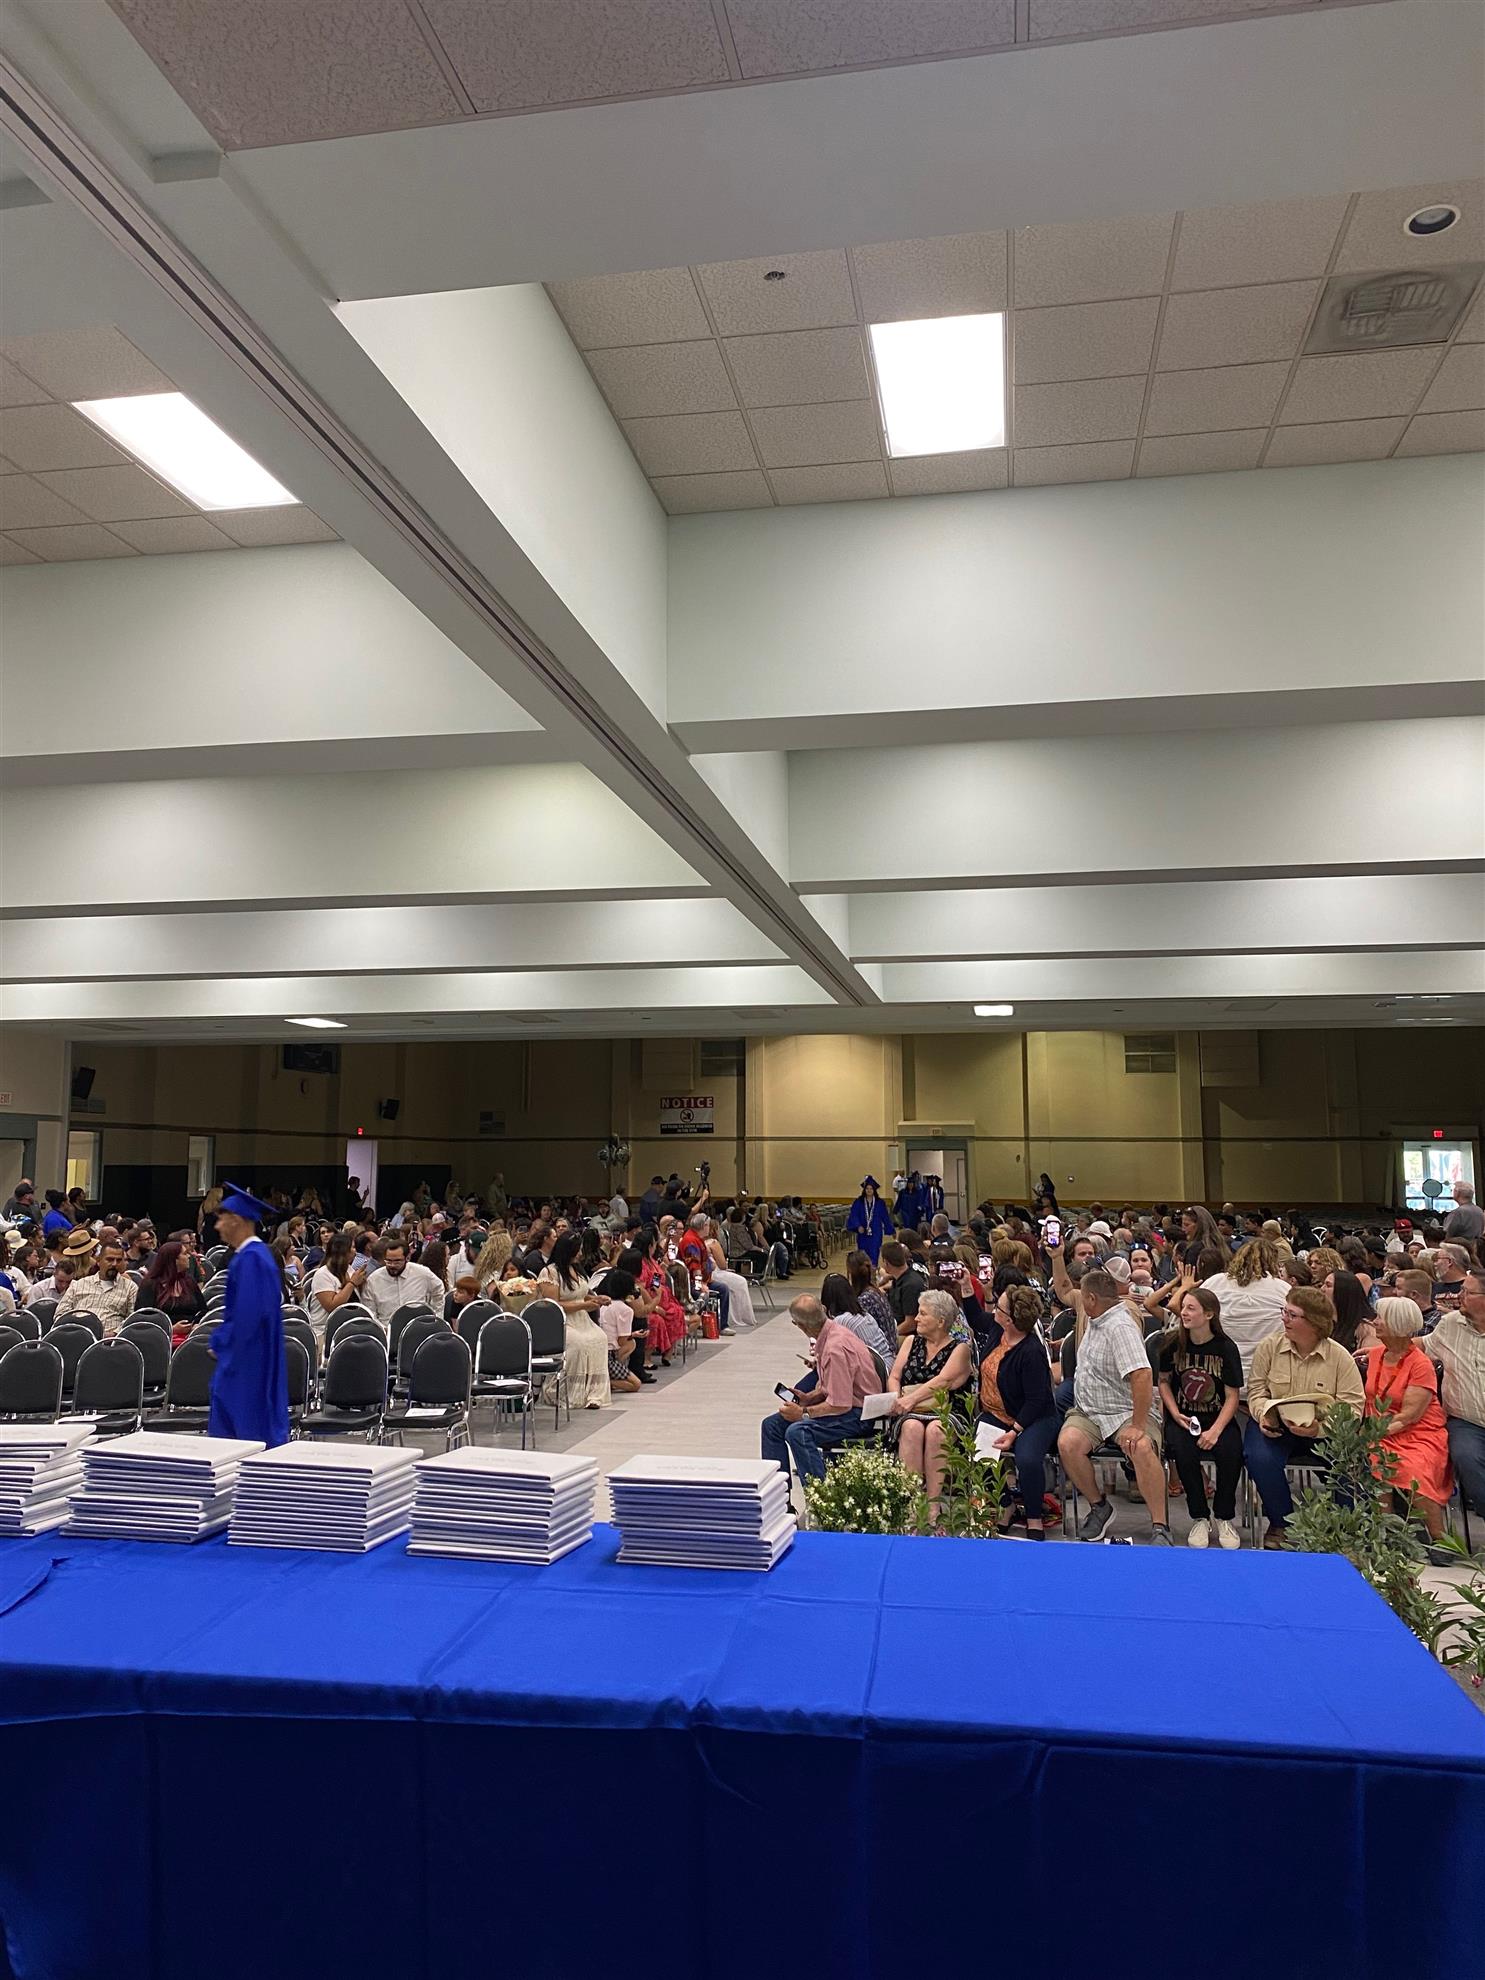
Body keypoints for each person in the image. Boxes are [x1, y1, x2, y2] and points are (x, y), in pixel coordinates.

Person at [1243, 1286, 1366, 1548]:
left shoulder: (1340, 1358)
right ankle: (1282, 1524)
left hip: (1322, 1429)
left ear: (1314, 1323)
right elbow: (1256, 1389)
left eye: (1292, 1315)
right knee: (1259, 1457)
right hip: (1276, 1426)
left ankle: (1342, 1529)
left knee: (1350, 1458)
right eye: (1284, 1312)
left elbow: (1353, 1408)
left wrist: (1319, 1429)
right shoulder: (1270, 1347)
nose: (1283, 1319)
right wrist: (1263, 1414)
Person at [1058, 1267, 1171, 1543]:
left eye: (1083, 1297)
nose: (1080, 1302)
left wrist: (1138, 1424)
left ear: (1092, 1299)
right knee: (1067, 1443)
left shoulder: (1120, 1327)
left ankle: (1160, 1525)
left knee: (1141, 1446)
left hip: (1124, 1412)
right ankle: (1099, 1507)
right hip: (1090, 1412)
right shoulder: (1096, 1320)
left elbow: (1142, 1374)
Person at [1156, 1286, 1244, 1549]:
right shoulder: (1171, 1343)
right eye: (1183, 1307)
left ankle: (1224, 1516)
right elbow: (1163, 1382)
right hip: (1183, 1417)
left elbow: (1232, 1397)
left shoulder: (1226, 1348)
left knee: (1231, 1451)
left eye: (1191, 1308)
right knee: (1183, 1451)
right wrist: (1174, 1412)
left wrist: (1215, 1430)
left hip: (1218, 1418)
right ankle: (1199, 1517)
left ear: (1209, 1314)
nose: (1183, 1312)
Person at [762, 1294, 876, 1494]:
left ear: (800, 1326)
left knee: (798, 1432)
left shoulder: (834, 1348)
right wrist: (811, 1396)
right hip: (849, 1403)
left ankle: (821, 1499)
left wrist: (804, 1412)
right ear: (823, 1309)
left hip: (859, 1414)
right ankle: (780, 1499)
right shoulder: (832, 1333)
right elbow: (833, 1386)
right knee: (771, 1425)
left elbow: (840, 1404)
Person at [206, 1182, 289, 1449]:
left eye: (222, 1219)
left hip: (247, 1358)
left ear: (237, 1220)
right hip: (251, 1352)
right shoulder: (254, 1256)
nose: (217, 1227)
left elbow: (248, 1315)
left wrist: (223, 1344)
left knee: (243, 1428)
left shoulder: (251, 1258)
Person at [883, 1287, 975, 1524]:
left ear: (941, 1321)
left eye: (923, 1314)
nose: (916, 1318)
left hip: (946, 1411)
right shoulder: (911, 1341)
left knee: (936, 1430)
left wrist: (910, 1399)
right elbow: (894, 1376)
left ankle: (934, 1505)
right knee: (911, 1428)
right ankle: (914, 1501)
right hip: (909, 1412)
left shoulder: (960, 1348)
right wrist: (895, 1399)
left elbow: (943, 1381)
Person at [1364, 1296, 1453, 1542]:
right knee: (1375, 1458)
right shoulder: (1376, 1355)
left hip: (1418, 1430)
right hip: (1381, 1427)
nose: (1375, 1322)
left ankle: (1440, 1538)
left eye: (1380, 1317)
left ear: (1397, 1323)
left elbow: (1410, 1415)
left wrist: (1374, 1432)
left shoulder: (1420, 1365)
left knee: (1414, 1468)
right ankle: (1387, 1533)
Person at [977, 1285, 1058, 1537]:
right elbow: (976, 1317)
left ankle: (1034, 1515)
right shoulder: (996, 1330)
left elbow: (1035, 1401)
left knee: (1027, 1458)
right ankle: (1006, 1505)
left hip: (1035, 1416)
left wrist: (1014, 1431)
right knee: (981, 1452)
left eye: (998, 1308)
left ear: (1010, 1319)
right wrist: (969, 1290)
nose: (994, 1311)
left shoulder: (1031, 1351)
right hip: (997, 1412)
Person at [1424, 1267, 1485, 1517]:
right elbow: (1422, 1346)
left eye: (1467, 1292)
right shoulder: (1450, 1324)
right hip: (1466, 1422)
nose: (1459, 1295)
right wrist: (1378, 1349)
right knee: (1466, 1457)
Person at [1197, 1236, 1292, 1381]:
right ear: (1274, 1262)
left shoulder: (1214, 1282)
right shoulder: (1283, 1289)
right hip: (1265, 1376)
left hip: (1216, 1372)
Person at [538, 1230, 611, 1410]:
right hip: (561, 1322)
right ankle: (566, 1391)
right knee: (579, 1344)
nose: (580, 1254)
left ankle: (593, 1393)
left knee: (599, 1339)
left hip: (582, 1319)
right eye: (577, 1250)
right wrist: (584, 1305)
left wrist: (596, 1299)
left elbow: (582, 1295)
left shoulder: (576, 1269)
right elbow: (554, 1304)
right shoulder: (550, 1272)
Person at [55, 1230, 139, 1333]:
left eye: (119, 1260)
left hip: (110, 1341)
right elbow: (60, 1314)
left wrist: (115, 1333)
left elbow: (132, 1319)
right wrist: (73, 1330)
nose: (114, 1264)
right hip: (77, 1335)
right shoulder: (79, 1284)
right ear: (99, 1261)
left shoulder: (130, 1288)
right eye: (110, 1259)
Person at [361, 1234, 446, 1327]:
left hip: (419, 1327)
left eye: (397, 1261)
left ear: (407, 1258)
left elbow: (438, 1289)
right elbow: (369, 1311)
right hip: (387, 1329)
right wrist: (381, 1328)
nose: (392, 1265)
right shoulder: (373, 1279)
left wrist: (436, 1317)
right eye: (388, 1261)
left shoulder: (422, 1273)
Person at [818, 1272, 895, 1371]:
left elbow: (829, 1353)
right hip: (887, 1362)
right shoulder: (862, 1313)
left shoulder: (841, 1321)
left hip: (878, 1370)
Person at [139, 1239, 206, 1334]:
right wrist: (171, 1329)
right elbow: (143, 1318)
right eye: (185, 1253)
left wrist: (196, 1324)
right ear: (173, 1259)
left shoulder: (189, 1281)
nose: (189, 1256)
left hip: (191, 1334)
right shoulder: (150, 1285)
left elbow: (203, 1310)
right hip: (161, 1337)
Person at [880, 1240, 926, 1337]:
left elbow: (910, 1324)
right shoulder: (900, 1278)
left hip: (906, 1336)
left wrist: (889, 1336)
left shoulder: (910, 1286)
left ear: (886, 1263)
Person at [845, 1175, 893, 1265]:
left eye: (871, 1188)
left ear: (874, 1190)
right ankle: (864, 1272)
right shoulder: (859, 1202)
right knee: (863, 1254)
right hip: (863, 1233)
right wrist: (858, 1225)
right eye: (867, 1188)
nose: (869, 1190)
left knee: (874, 1252)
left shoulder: (880, 1203)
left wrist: (891, 1230)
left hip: (876, 1232)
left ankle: (873, 1273)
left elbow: (885, 1217)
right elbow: (854, 1215)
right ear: (864, 1190)